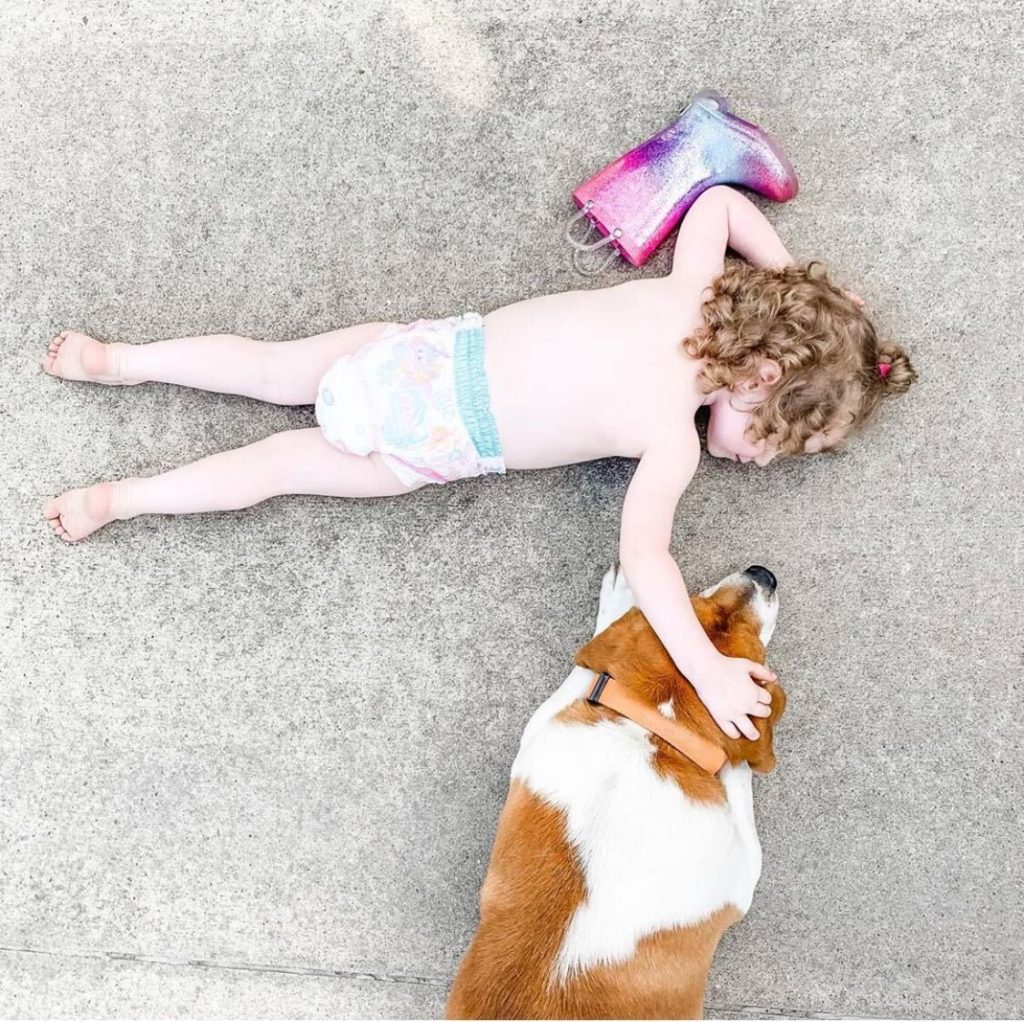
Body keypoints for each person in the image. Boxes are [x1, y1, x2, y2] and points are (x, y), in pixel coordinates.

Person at [41, 184, 915, 740]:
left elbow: (718, 201)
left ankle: (120, 361)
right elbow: (646, 562)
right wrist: (707, 670)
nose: (763, 463)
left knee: (270, 368)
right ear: (761, 380)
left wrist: (794, 280)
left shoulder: (692, 289)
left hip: (425, 355)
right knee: (274, 468)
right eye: (778, 441)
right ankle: (121, 498)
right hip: (435, 444)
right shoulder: (670, 439)